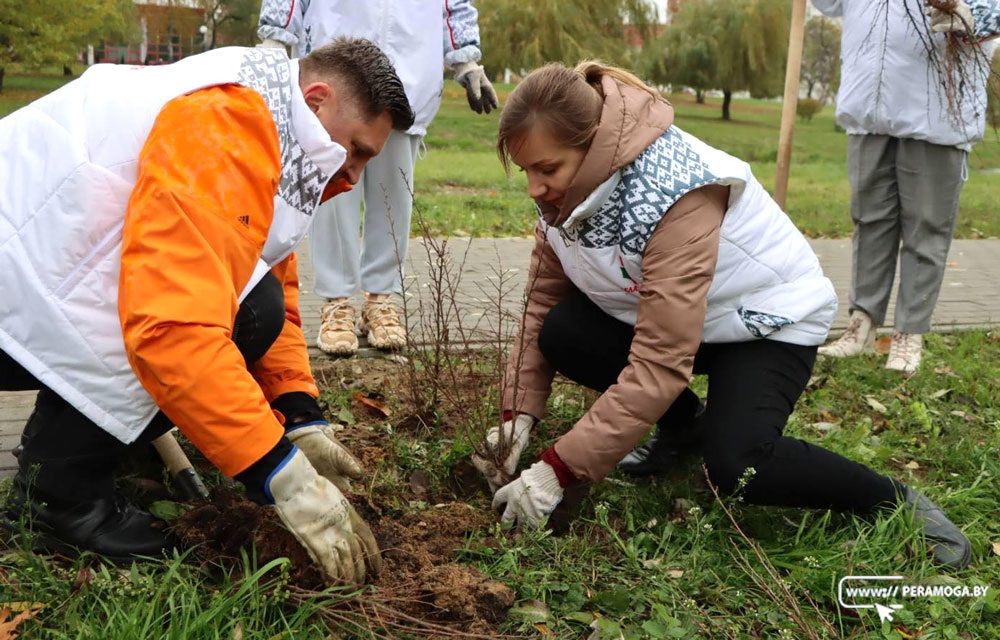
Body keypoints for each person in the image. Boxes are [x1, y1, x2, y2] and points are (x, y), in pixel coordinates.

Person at [474, 61, 972, 569]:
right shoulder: (569, 190)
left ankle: (890, 498)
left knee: (740, 467)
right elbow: (541, 306)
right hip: (695, 320)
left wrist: (558, 470)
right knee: (562, 332)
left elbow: (659, 364)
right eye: (527, 171)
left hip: (766, 322)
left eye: (547, 169)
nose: (534, 188)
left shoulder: (675, 193)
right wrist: (518, 417)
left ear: (593, 144)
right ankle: (687, 426)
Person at [0, 38, 414, 585]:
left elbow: (258, 277)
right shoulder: (225, 125)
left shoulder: (266, 115)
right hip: (17, 292)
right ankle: (61, 500)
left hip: (36, 277)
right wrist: (279, 475)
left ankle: (89, 445)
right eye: (358, 150)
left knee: (251, 308)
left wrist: (297, 414)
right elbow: (174, 329)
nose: (356, 173)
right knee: (212, 320)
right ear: (317, 101)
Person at [258, 0, 497, 356]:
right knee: (333, 198)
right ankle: (336, 302)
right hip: (336, 74)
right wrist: (276, 39)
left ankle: (381, 299)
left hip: (408, 76)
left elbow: (454, 5)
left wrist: (466, 60)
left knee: (394, 200)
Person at [812, 0, 999, 373]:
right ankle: (861, 324)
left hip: (936, 111)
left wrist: (964, 11)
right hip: (869, 106)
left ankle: (909, 333)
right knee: (870, 220)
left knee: (925, 227)